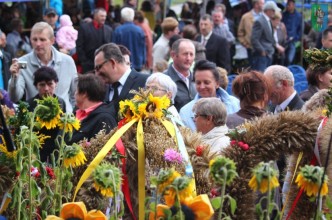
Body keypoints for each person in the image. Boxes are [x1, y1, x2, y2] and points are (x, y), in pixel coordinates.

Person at [8, 22, 77, 113]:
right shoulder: (23, 63)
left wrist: (70, 112)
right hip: (36, 121)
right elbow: (14, 98)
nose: (38, 44)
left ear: (52, 40)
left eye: (42, 39)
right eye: (34, 39)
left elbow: (75, 94)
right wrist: (14, 78)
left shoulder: (68, 61)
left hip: (63, 121)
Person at [180, 60, 240, 131]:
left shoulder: (235, 103)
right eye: (198, 83)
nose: (202, 87)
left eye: (206, 82)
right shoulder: (186, 111)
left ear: (217, 83)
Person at [94, 43, 148, 119]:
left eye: (98, 68)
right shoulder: (102, 88)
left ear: (112, 63)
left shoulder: (146, 82)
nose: (97, 74)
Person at [27, 67, 66, 162]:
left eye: (50, 84)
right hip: (36, 152)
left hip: (55, 152)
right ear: (36, 85)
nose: (46, 89)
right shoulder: (30, 105)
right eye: (42, 85)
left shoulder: (61, 103)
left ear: (56, 83)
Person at [70, 73, 117, 144]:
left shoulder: (105, 119)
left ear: (84, 94)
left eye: (76, 90)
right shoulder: (76, 112)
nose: (74, 94)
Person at [164, 39, 197, 111]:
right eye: (185, 54)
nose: (188, 58)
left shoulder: (198, 80)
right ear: (173, 55)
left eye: (191, 54)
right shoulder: (163, 81)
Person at [76, 8, 113, 73]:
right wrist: (84, 62)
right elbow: (79, 46)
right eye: (102, 16)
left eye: (105, 16)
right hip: (88, 65)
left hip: (104, 65)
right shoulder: (84, 28)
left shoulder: (109, 30)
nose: (104, 18)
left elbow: (111, 46)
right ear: (95, 16)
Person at [112, 7, 146, 72]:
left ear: (122, 17)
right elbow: (143, 47)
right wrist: (143, 61)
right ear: (133, 17)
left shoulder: (118, 30)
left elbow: (114, 49)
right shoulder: (139, 30)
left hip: (122, 63)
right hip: (137, 63)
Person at [251, 1, 280, 72]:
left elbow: (270, 36)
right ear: (268, 10)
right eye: (273, 10)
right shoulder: (260, 21)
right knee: (260, 77)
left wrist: (275, 46)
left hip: (268, 54)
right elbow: (254, 39)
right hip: (261, 56)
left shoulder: (268, 20)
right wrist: (262, 51)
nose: (274, 12)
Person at [237, 0, 265, 65]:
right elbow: (240, 32)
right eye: (262, 3)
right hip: (251, 48)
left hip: (264, 47)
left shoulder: (265, 16)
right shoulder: (245, 17)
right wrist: (245, 43)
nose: (264, 5)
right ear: (256, 5)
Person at [282, 0, 302, 65]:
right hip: (283, 41)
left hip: (293, 41)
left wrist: (296, 37)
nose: (287, 6)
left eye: (289, 5)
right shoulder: (283, 15)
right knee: (282, 59)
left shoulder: (299, 16)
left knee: (289, 59)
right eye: (287, 5)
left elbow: (300, 29)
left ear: (293, 5)